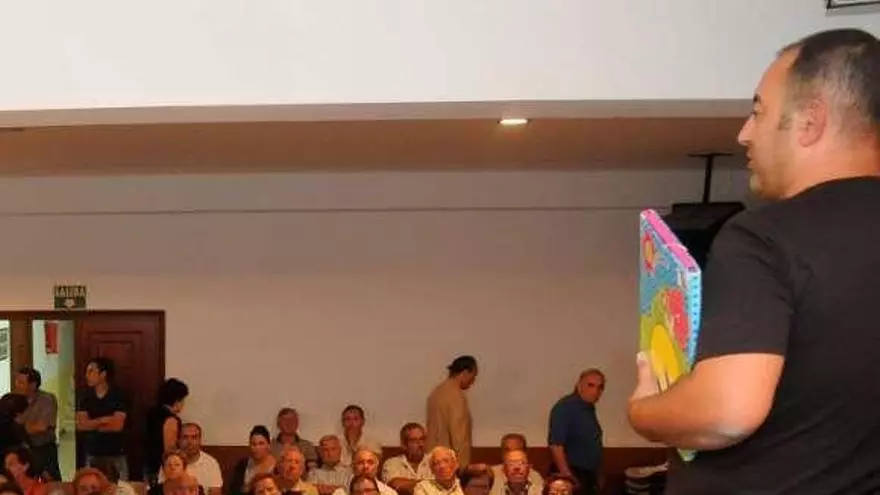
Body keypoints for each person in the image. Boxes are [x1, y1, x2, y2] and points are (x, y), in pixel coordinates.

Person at [627, 28, 880, 494]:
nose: (744, 133)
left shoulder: (765, 236)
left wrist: (644, 409)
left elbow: (726, 413)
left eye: (759, 111)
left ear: (810, 121)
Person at [547, 370, 604, 495]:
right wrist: (568, 478)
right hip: (573, 474)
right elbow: (556, 445)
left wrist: (598, 475)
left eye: (600, 387)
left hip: (588, 475)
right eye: (590, 385)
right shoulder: (565, 407)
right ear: (579, 385)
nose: (595, 391)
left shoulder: (588, 409)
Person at [76, 358, 128, 480]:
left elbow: (117, 426)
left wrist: (92, 424)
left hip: (116, 452)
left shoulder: (118, 394)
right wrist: (103, 420)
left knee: (120, 487)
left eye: (91, 371)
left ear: (103, 374)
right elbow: (81, 425)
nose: (86, 375)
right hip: (92, 452)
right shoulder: (84, 396)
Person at [426, 356, 478, 469]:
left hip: (433, 459)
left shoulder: (436, 392)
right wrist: (462, 466)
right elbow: (459, 435)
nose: (473, 381)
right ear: (465, 372)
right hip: (449, 463)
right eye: (473, 376)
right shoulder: (456, 396)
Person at [14, 368, 59, 482]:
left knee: (51, 482)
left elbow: (42, 426)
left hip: (44, 449)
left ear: (33, 385)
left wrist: (18, 429)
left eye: (21, 382)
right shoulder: (14, 400)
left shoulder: (46, 399)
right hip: (23, 449)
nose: (17, 385)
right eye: (16, 381)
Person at [145, 378, 189, 483]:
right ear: (177, 400)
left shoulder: (151, 413)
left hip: (148, 464)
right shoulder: (171, 419)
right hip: (161, 469)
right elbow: (169, 450)